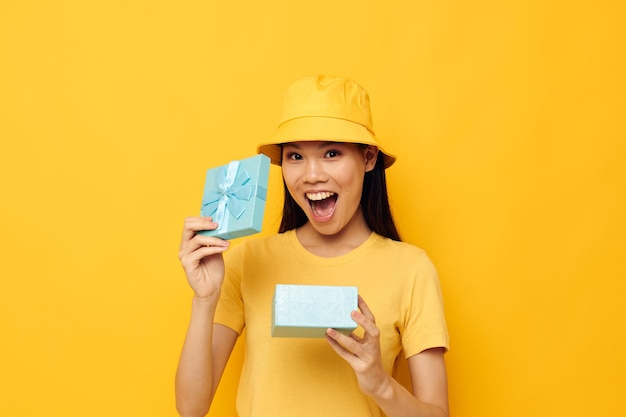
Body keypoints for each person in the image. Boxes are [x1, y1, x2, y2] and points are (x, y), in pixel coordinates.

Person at [176, 75, 450, 417]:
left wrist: (380, 384)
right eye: (295, 157)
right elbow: (191, 408)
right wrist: (205, 300)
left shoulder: (411, 269)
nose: (311, 174)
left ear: (368, 158)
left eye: (331, 153)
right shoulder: (247, 261)